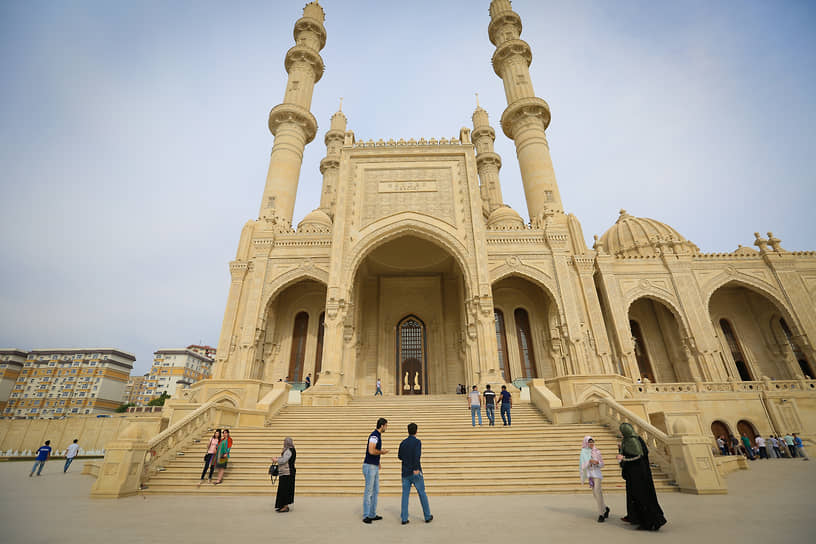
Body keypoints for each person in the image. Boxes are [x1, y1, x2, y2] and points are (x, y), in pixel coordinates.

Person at [617, 423, 667, 531]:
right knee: (633, 496)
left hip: (638, 476)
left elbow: (637, 456)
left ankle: (650, 522)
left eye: (621, 431)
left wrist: (622, 458)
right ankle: (633, 516)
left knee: (641, 497)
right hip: (634, 475)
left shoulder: (632, 441)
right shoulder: (631, 439)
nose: (620, 433)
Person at [398, 423, 433, 525]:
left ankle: (404, 518)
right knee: (422, 493)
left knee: (405, 495)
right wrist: (416, 468)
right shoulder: (417, 442)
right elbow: (417, 456)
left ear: (408, 431)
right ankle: (427, 516)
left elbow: (399, 456)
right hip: (415, 471)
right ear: (416, 431)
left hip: (405, 472)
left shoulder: (403, 443)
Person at [362, 417, 389, 523]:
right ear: (382, 426)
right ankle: (366, 515)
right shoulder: (374, 436)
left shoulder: (378, 436)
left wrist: (378, 462)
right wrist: (382, 452)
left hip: (374, 465)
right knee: (369, 491)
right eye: (386, 426)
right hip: (369, 466)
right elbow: (371, 450)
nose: (386, 428)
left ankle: (372, 514)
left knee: (375, 490)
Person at [580, 436, 609, 523]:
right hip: (590, 476)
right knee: (595, 494)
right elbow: (582, 467)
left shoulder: (597, 451)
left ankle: (601, 514)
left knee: (597, 491)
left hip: (597, 475)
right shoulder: (583, 453)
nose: (591, 444)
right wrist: (589, 462)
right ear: (586, 443)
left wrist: (597, 463)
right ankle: (605, 508)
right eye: (590, 442)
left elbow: (602, 464)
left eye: (593, 442)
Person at [273, 437, 297, 512]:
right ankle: (283, 505)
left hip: (287, 472)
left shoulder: (288, 450)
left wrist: (276, 460)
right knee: (285, 489)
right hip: (288, 472)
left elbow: (284, 460)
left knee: (284, 489)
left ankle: (285, 506)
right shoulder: (292, 450)